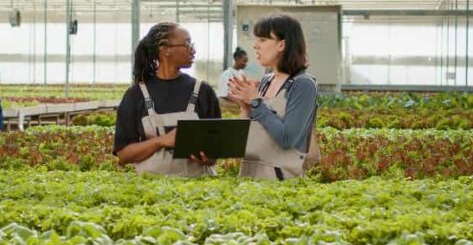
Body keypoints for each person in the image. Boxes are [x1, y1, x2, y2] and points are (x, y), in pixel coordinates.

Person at [113, 22, 221, 177]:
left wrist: (209, 158)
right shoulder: (136, 94)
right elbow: (124, 155)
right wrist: (161, 141)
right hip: (152, 188)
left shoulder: (203, 91)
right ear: (165, 50)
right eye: (187, 44)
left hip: (199, 186)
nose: (193, 50)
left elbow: (215, 149)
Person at [228, 14, 319, 180]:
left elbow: (286, 139)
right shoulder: (266, 81)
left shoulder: (303, 85)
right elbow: (249, 137)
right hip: (251, 175)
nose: (255, 45)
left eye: (262, 40)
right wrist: (245, 107)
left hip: (281, 181)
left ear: (282, 45)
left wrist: (256, 102)